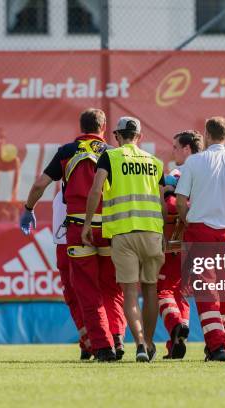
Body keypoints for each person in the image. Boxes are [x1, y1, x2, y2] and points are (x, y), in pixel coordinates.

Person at [19, 108, 126, 362]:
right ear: (103, 128)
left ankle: (102, 347)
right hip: (110, 228)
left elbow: (39, 185)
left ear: (81, 127)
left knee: (86, 289)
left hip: (79, 228)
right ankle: (118, 338)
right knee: (112, 287)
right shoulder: (113, 153)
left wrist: (28, 209)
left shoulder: (67, 151)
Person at [82, 116, 165, 362]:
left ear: (117, 136)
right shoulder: (155, 162)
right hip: (152, 232)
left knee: (130, 293)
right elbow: (161, 203)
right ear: (140, 136)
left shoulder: (110, 156)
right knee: (151, 291)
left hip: (123, 234)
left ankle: (139, 343)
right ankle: (149, 344)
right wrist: (165, 236)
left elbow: (96, 190)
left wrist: (87, 224)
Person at [175, 116, 225, 362]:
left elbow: (181, 199)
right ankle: (219, 342)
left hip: (200, 229)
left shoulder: (194, 161)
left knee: (206, 290)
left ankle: (216, 346)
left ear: (206, 134)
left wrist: (186, 220)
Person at [158, 130, 203, 359]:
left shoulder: (178, 172)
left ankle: (176, 324)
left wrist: (165, 195)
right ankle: (177, 341)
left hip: (177, 240)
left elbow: (174, 206)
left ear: (187, 149)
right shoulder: (209, 169)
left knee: (163, 290)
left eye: (175, 147)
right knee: (182, 293)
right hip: (203, 240)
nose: (173, 150)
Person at [52, 189, 92, 360]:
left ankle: (90, 340)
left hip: (69, 243)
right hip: (84, 240)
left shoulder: (64, 190)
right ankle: (94, 340)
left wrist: (29, 208)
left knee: (75, 296)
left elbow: (40, 185)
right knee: (91, 293)